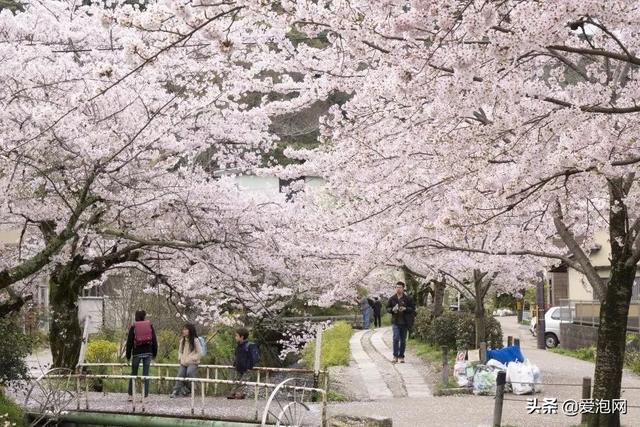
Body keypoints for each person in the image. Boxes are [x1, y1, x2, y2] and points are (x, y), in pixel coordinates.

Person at [125, 310, 158, 401]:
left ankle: (131, 395)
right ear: (144, 316)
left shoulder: (133, 327)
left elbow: (129, 342)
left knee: (133, 374)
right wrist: (154, 352)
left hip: (137, 353)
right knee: (145, 374)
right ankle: (145, 396)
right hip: (148, 352)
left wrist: (128, 355)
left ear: (136, 316)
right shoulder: (149, 326)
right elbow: (154, 340)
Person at [170, 323, 202, 398]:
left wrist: (192, 358)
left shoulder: (195, 340)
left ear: (190, 330)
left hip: (193, 362)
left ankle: (190, 389)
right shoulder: (182, 341)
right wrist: (180, 358)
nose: (183, 331)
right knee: (180, 375)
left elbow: (200, 353)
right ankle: (176, 391)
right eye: (183, 329)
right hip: (184, 362)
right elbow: (180, 351)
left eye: (185, 329)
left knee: (189, 373)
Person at [386, 282, 415, 363]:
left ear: (403, 288)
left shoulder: (408, 299)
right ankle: (395, 356)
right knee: (395, 338)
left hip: (405, 322)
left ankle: (401, 356)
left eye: (400, 287)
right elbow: (387, 308)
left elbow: (413, 308)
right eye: (397, 287)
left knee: (403, 340)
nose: (398, 288)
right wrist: (392, 310)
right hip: (395, 321)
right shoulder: (392, 298)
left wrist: (405, 309)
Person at [227, 327, 251, 400]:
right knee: (236, 381)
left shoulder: (248, 346)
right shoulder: (238, 346)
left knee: (243, 382)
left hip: (246, 368)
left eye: (237, 336)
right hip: (238, 367)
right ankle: (233, 393)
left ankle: (240, 394)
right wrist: (235, 363)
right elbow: (236, 356)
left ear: (242, 337)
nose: (235, 337)